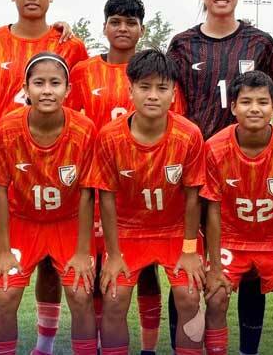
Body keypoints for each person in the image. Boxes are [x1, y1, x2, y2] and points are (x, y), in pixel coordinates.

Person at [166, 0, 273, 354]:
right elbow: (172, 106)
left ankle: (248, 348)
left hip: (247, 170)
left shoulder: (260, 43)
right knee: (189, 264)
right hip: (195, 166)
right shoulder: (182, 44)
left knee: (250, 266)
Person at [0, 0, 88, 354]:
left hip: (55, 168)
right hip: (4, 168)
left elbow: (80, 104)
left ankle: (45, 344)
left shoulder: (70, 45)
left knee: (52, 267)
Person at [88, 49, 206, 355]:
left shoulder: (189, 135)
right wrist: (113, 254)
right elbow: (106, 198)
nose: (153, 95)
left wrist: (189, 250)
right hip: (128, 232)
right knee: (114, 298)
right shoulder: (109, 136)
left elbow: (193, 196)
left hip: (175, 231)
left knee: (190, 296)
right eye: (144, 87)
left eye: (162, 88)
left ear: (173, 94)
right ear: (130, 90)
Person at [66, 0, 165, 354]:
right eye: (116, 22)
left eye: (131, 22)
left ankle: (149, 347)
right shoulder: (83, 71)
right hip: (97, 186)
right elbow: (69, 123)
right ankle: (95, 343)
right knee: (97, 271)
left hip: (142, 190)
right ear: (104, 26)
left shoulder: (153, 74)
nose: (123, 28)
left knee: (148, 271)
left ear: (142, 29)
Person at [0, 52, 97, 355]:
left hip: (68, 222)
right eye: (39, 83)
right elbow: (0, 190)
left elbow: (88, 192)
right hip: (23, 221)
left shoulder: (85, 129)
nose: (47, 90)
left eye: (55, 83)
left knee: (80, 294)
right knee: (5, 294)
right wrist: (3, 250)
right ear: (25, 88)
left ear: (68, 89)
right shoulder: (6, 129)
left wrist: (82, 252)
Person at [202, 71, 273, 355]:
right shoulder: (214, 148)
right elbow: (212, 210)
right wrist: (214, 268)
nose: (255, 108)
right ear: (233, 106)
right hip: (231, 238)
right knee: (215, 298)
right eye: (246, 102)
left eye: (262, 102)